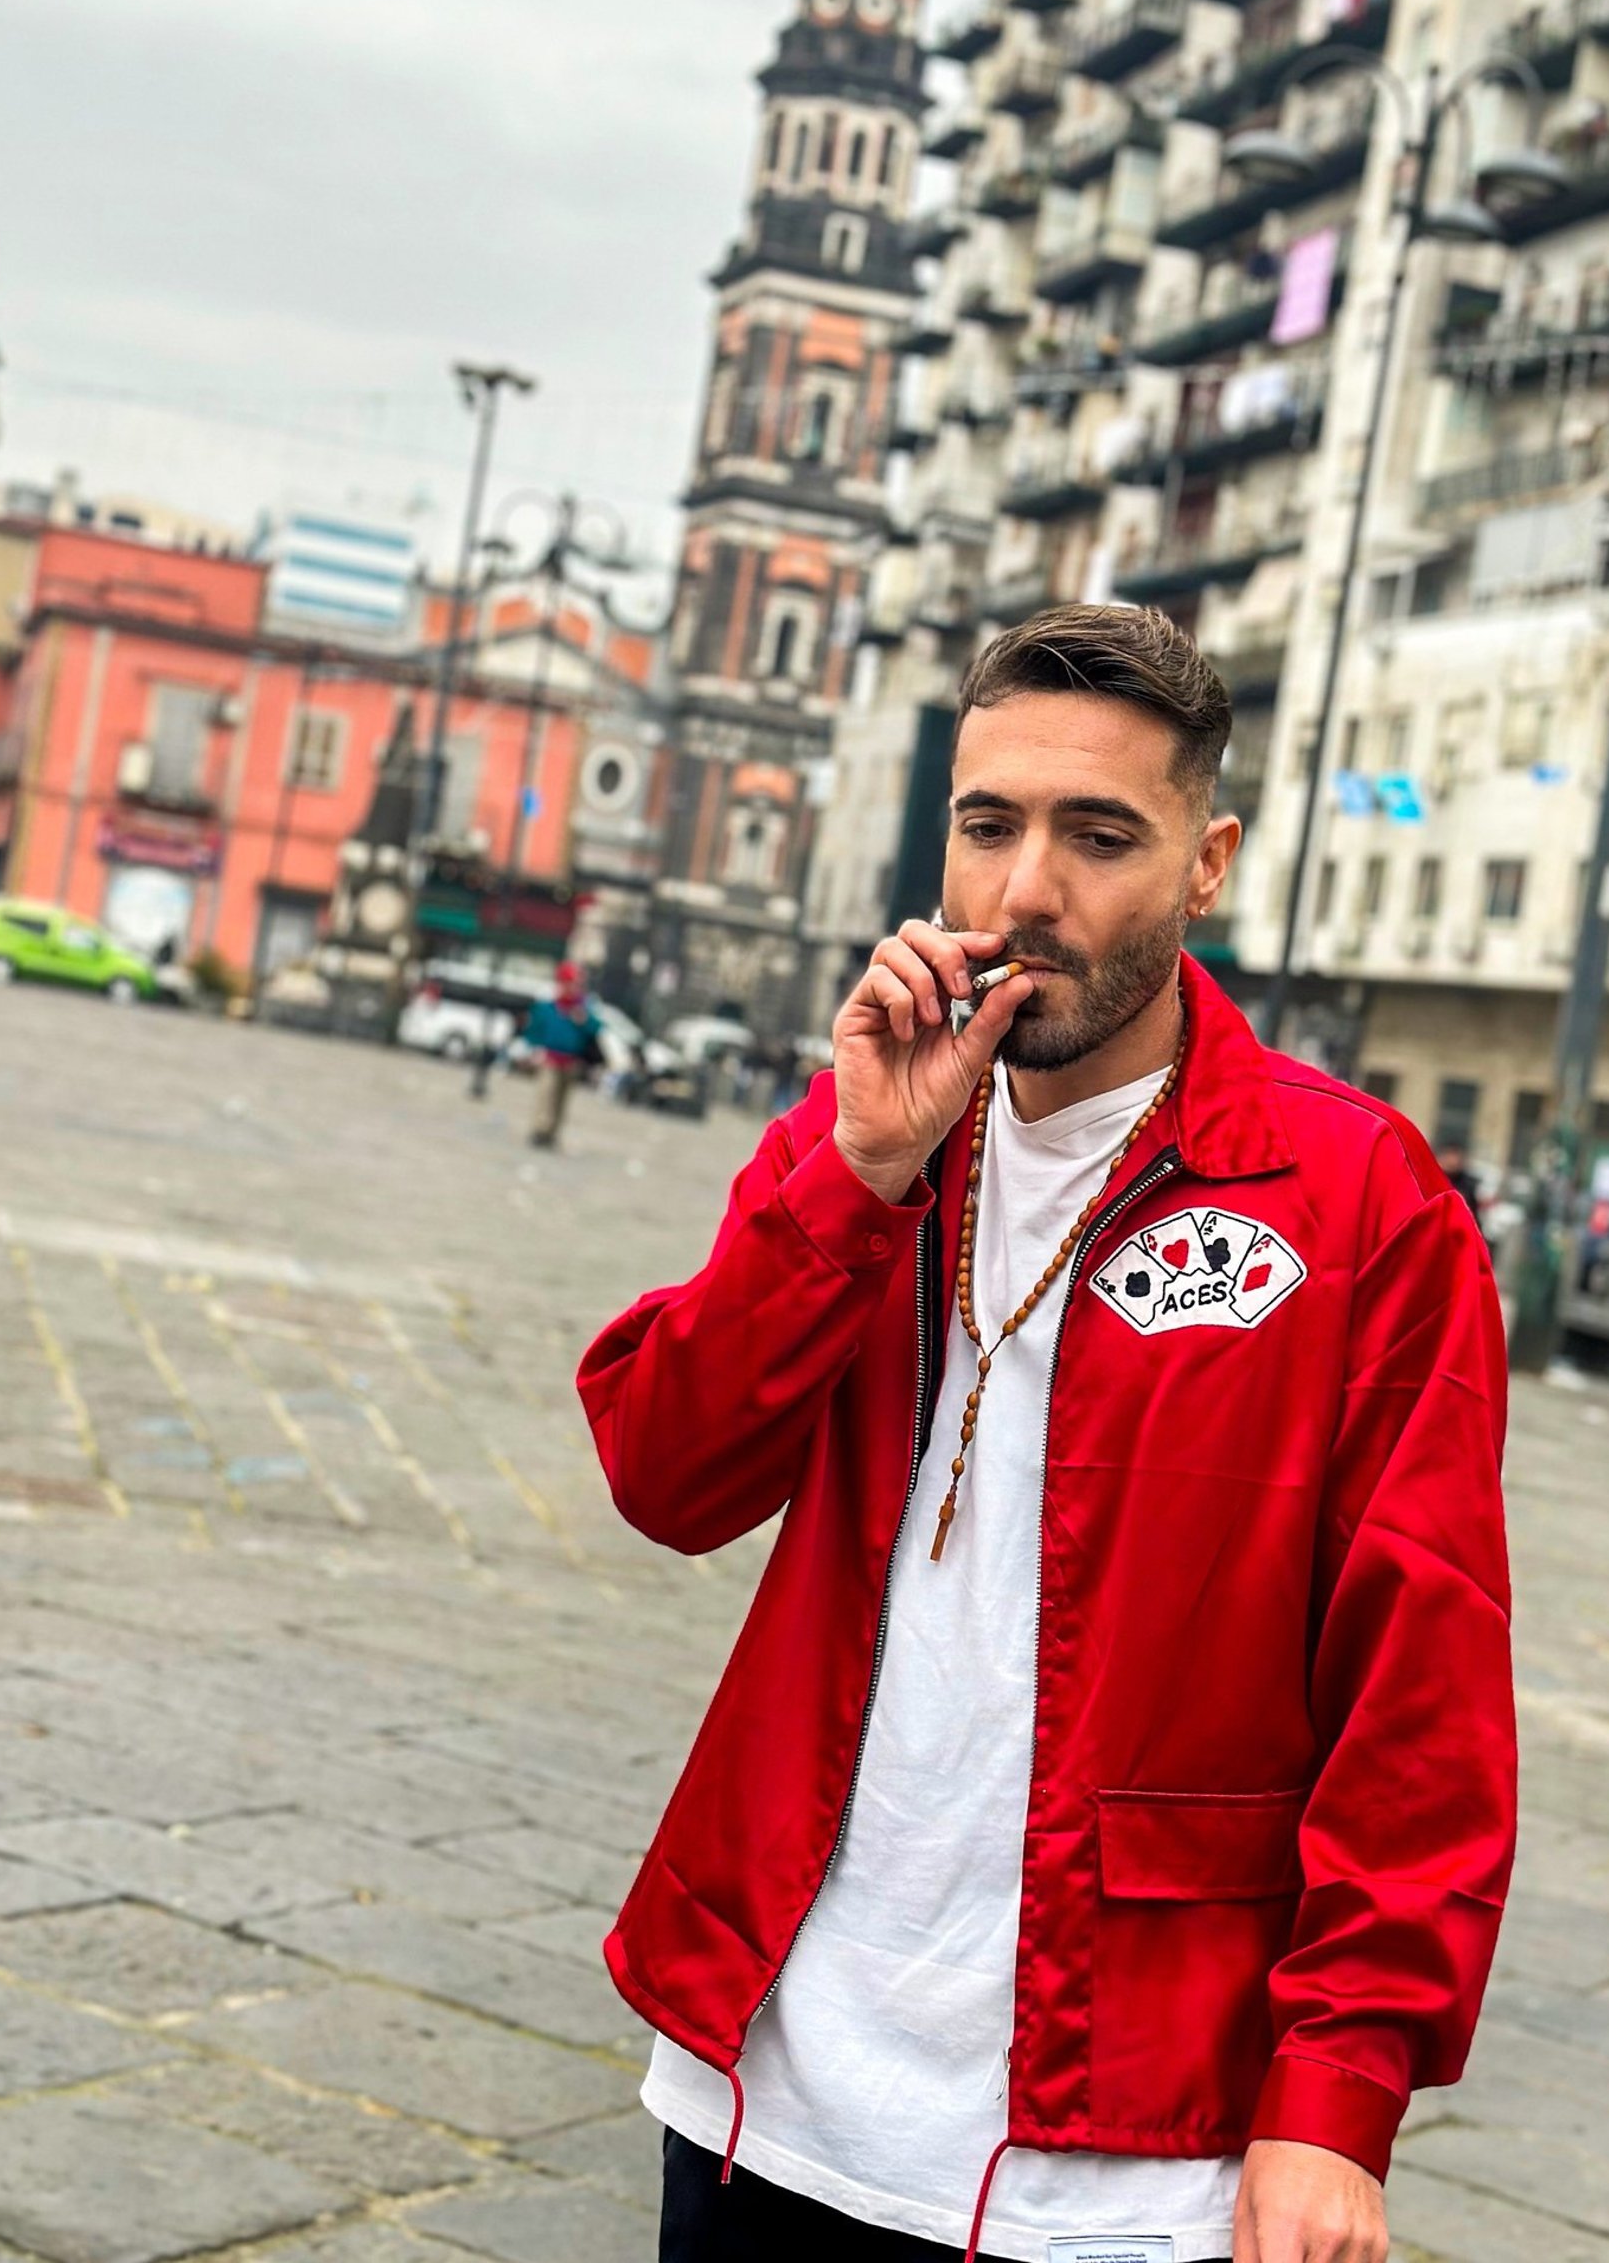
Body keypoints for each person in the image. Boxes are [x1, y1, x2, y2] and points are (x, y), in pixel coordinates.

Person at [578, 607, 1515, 2263]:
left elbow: (1419, 1687)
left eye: (1100, 837)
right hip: (766, 2093)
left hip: (1123, 2150)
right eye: (990, 826)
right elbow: (669, 1471)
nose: (1028, 893)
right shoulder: (869, 1125)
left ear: (1207, 861)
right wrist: (855, 1177)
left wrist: (1335, 2103)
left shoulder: (1362, 1203)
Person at [522, 961, 602, 1150]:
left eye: (579, 984)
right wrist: (533, 1050)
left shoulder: (584, 1008)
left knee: (562, 1099)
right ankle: (540, 1129)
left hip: (572, 1061)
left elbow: (596, 1029)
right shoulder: (549, 1006)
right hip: (550, 1058)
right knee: (546, 1094)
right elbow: (534, 1031)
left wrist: (584, 1020)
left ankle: (552, 1132)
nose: (576, 988)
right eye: (573, 983)